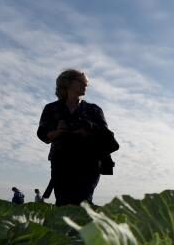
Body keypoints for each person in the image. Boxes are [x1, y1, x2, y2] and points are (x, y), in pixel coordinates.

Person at [36, 69, 119, 206]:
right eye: (81, 81)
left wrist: (87, 128)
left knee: (83, 203)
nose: (85, 85)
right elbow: (42, 134)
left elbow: (106, 135)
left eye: (87, 83)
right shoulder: (52, 108)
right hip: (61, 162)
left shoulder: (93, 109)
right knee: (63, 203)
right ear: (67, 83)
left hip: (89, 163)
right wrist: (57, 132)